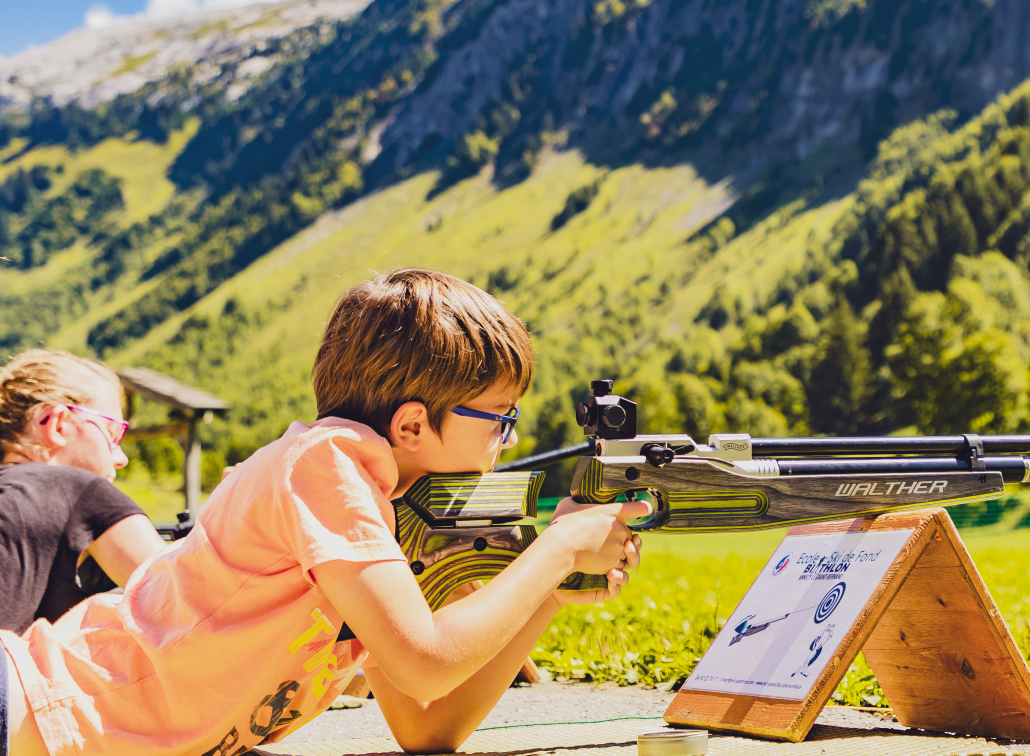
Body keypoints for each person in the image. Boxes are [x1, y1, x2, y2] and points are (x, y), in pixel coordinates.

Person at [1, 269, 646, 756]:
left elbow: (427, 724)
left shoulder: (374, 503)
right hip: (28, 702)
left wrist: (550, 594)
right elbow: (425, 660)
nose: (508, 440)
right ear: (413, 424)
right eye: (500, 419)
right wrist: (555, 548)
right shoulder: (327, 460)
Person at [0, 350, 166, 635]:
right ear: (56, 424)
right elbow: (189, 600)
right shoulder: (77, 489)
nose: (121, 457)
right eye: (112, 434)